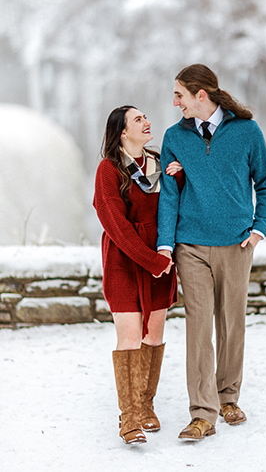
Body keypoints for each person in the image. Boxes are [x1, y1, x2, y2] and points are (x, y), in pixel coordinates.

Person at [157, 63, 266, 442]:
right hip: (190, 246)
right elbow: (169, 196)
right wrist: (166, 244)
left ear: (201, 96)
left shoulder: (246, 131)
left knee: (231, 323)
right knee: (198, 327)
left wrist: (259, 229)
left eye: (180, 95)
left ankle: (228, 398)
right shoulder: (174, 137)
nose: (174, 102)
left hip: (236, 244)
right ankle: (202, 413)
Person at [93, 105, 183, 444]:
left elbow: (175, 206)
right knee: (130, 335)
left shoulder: (159, 163)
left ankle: (146, 405)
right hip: (125, 261)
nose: (147, 122)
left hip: (159, 258)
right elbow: (116, 225)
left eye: (146, 116)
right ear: (121, 133)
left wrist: (179, 178)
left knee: (154, 332)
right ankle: (129, 419)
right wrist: (151, 261)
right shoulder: (109, 170)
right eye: (138, 119)